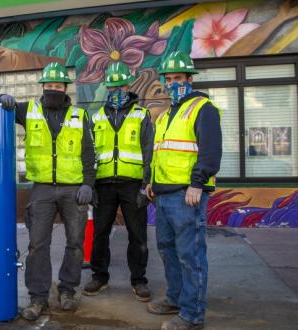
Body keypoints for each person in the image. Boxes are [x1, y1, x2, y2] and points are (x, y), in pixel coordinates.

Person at [0, 62, 95, 320]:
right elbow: (0, 107)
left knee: (75, 243)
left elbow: (88, 153)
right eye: (49, 85)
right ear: (43, 87)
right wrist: (1, 97)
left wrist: (88, 184)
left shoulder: (79, 115)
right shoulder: (29, 111)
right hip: (42, 190)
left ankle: (67, 291)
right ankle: (38, 298)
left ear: (65, 88)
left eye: (58, 85)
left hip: (73, 190)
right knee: (38, 244)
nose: (53, 89)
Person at [146, 51, 222, 330]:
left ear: (190, 79)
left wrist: (197, 183)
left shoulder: (203, 108)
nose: (171, 83)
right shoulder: (167, 114)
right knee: (167, 249)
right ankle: (175, 298)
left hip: (187, 194)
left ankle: (192, 315)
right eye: (167, 79)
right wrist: (151, 181)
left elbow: (211, 152)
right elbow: (161, 152)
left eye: (177, 78)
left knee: (190, 255)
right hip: (164, 194)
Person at [83, 62, 153, 301]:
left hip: (132, 184)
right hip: (103, 185)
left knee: (137, 234)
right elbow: (90, 153)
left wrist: (146, 184)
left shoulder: (141, 115)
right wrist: (89, 184)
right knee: (100, 232)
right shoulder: (97, 117)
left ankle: (139, 280)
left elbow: (148, 151)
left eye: (120, 86)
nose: (116, 91)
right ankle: (99, 277)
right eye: (111, 87)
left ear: (128, 85)